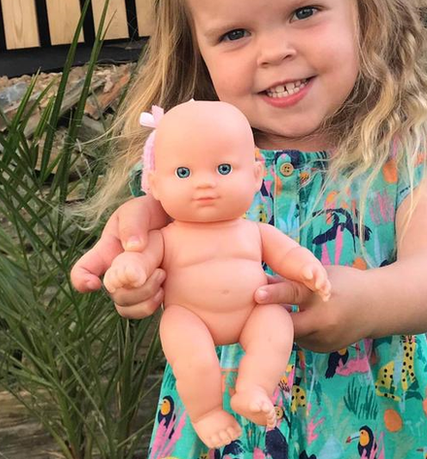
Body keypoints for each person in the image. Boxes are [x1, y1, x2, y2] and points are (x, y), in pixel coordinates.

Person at [71, 0, 427, 457]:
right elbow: (149, 246)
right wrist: (137, 269)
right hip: (229, 424)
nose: (273, 51)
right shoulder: (201, 161)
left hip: (383, 425)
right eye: (235, 33)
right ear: (198, 49)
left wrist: (365, 302)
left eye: (304, 12)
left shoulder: (408, 153)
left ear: (366, 8)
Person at [104, 101, 331, 447]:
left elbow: (288, 253)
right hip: (189, 318)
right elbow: (141, 258)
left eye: (224, 168)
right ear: (155, 185)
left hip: (252, 311)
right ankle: (207, 412)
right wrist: (128, 268)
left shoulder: (253, 231)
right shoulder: (166, 238)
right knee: (194, 359)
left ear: (256, 175)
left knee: (276, 324)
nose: (205, 184)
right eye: (183, 173)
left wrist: (308, 269)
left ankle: (253, 388)